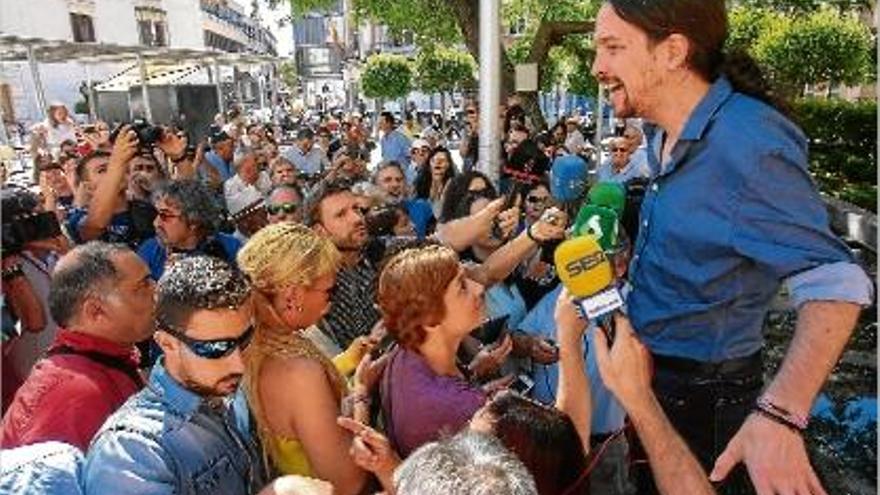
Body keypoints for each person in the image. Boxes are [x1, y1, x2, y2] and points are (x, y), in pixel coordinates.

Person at [591, 1, 873, 493]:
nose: (598, 66)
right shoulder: (661, 129)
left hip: (707, 403)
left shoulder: (747, 141)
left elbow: (838, 282)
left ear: (673, 51)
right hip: (654, 381)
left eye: (613, 48)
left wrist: (781, 413)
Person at [83, 256, 270, 495]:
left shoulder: (229, 394)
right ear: (167, 343)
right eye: (215, 349)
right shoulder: (132, 451)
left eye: (244, 340)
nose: (238, 364)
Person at [236, 223, 368, 494]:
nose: (330, 303)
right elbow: (347, 483)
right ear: (293, 296)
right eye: (328, 291)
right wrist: (362, 397)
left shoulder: (251, 345)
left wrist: (349, 361)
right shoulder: (297, 373)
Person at [2, 242, 154, 451]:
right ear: (95, 311)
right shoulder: (72, 395)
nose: (157, 290)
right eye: (144, 286)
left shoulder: (108, 358)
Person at [66, 134, 158, 250]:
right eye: (103, 170)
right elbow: (96, 226)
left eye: (118, 167)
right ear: (88, 187)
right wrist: (117, 162)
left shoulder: (148, 209)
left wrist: (179, 158)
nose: (116, 172)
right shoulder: (78, 218)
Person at [138, 179, 242, 280]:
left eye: (165, 216)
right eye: (157, 214)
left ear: (194, 221)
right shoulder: (149, 251)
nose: (156, 223)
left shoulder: (229, 248)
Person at [225, 145, 273, 210]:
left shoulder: (264, 175)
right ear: (243, 164)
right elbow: (237, 210)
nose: (258, 162)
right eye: (255, 160)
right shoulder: (230, 185)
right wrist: (250, 183)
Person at [414, 146, 457, 218]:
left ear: (448, 165)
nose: (438, 163)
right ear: (429, 164)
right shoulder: (420, 183)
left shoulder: (453, 186)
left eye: (442, 160)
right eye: (434, 160)